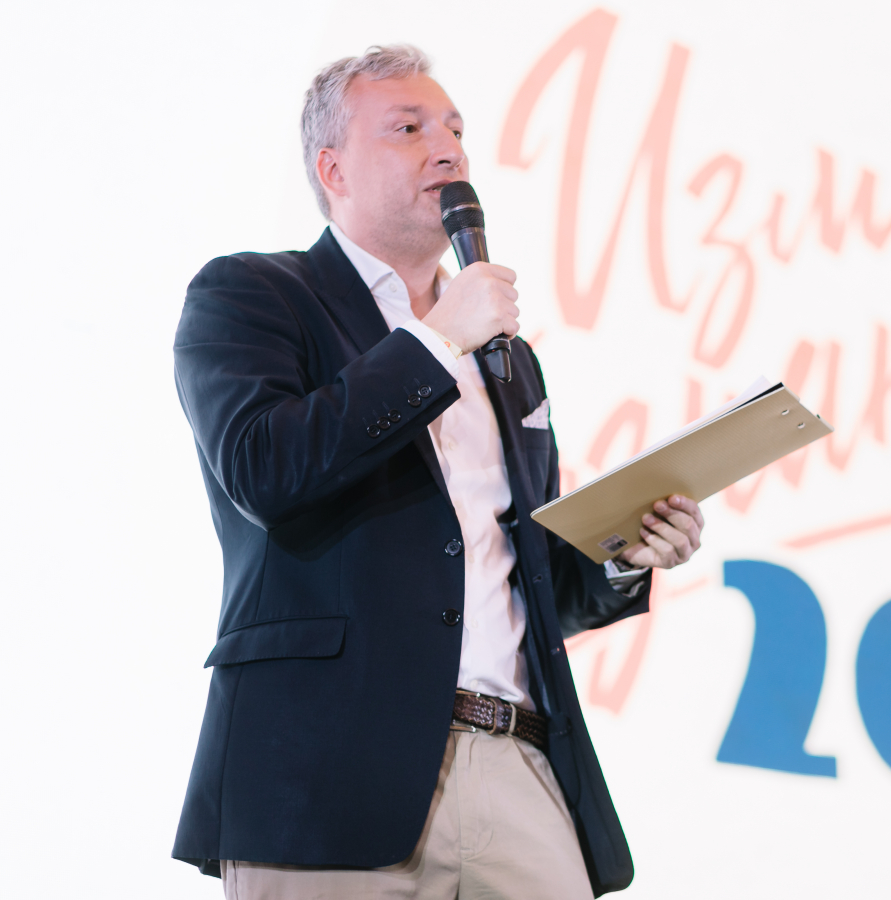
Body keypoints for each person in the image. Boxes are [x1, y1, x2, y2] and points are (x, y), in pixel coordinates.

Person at [171, 44, 705, 899]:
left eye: (455, 129)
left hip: (520, 761)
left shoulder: (509, 362)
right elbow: (267, 469)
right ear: (333, 169)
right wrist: (437, 339)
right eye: (409, 128)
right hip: (327, 769)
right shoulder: (255, 294)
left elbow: (517, 578)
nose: (449, 149)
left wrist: (621, 554)